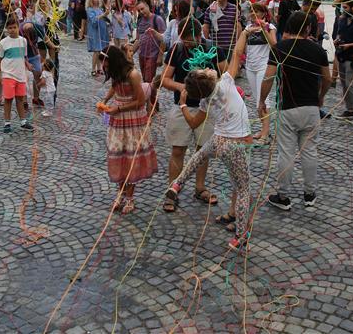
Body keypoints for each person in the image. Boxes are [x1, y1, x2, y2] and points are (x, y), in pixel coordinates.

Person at [165, 27, 254, 251]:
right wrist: (244, 33)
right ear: (210, 78)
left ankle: (177, 184)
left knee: (198, 157)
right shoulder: (226, 82)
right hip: (236, 144)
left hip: (218, 141)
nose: (208, 67)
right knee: (243, 189)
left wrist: (183, 105)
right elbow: (237, 53)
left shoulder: (205, 101)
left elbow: (194, 123)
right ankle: (240, 236)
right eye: (205, 69)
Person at [260, 11, 331, 211]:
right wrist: (321, 96)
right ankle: (310, 194)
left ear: (289, 26)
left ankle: (283, 196)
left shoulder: (279, 48)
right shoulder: (318, 50)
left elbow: (268, 77)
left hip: (287, 108)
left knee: (286, 153)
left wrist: (261, 100)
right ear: (308, 28)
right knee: (309, 151)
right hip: (311, 108)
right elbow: (328, 78)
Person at [160, 17, 219, 213]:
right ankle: (172, 191)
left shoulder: (211, 48)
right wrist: (182, 87)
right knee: (178, 150)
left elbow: (226, 74)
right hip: (181, 106)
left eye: (190, 40)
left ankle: (200, 188)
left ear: (199, 35)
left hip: (206, 108)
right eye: (184, 39)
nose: (187, 43)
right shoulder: (176, 50)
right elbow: (165, 79)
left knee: (203, 151)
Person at [97, 45, 158, 214]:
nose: (104, 66)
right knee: (119, 156)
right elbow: (114, 86)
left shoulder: (133, 74)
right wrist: (105, 101)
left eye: (106, 63)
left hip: (133, 119)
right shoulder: (116, 72)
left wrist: (118, 108)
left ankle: (130, 198)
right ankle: (120, 194)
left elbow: (140, 101)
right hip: (118, 120)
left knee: (131, 158)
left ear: (114, 61)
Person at [244, 3, 276, 142]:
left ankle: (265, 133)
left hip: (263, 66)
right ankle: (264, 129)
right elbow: (244, 47)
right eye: (252, 11)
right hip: (250, 67)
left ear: (263, 13)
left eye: (257, 11)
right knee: (257, 101)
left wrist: (263, 29)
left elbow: (274, 44)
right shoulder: (248, 28)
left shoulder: (270, 27)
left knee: (263, 100)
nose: (254, 13)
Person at [0, 16, 33, 132]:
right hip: (8, 75)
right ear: (7, 29)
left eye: (14, 27)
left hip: (21, 75)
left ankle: (23, 121)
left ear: (18, 27)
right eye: (10, 28)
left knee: (20, 99)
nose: (12, 30)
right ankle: (7, 123)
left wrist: (27, 64)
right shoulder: (3, 43)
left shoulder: (23, 41)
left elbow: (23, 56)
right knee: (8, 99)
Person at [205, 0, 241, 71]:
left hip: (230, 46)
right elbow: (206, 27)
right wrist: (206, 43)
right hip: (216, 46)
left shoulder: (234, 8)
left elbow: (238, 26)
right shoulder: (210, 9)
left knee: (231, 71)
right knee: (216, 71)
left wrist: (238, 42)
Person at [132, 0, 165, 90]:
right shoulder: (140, 21)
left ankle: (151, 97)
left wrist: (160, 56)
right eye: (139, 10)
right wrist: (130, 52)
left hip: (152, 55)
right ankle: (150, 96)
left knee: (148, 80)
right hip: (142, 55)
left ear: (147, 7)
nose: (141, 12)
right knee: (145, 79)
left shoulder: (157, 19)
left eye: (142, 9)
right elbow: (138, 39)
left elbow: (164, 39)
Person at [86, 0, 110, 77]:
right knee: (96, 51)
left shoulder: (99, 9)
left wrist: (106, 14)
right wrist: (103, 15)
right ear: (92, 0)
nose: (98, 0)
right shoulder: (90, 9)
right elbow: (93, 20)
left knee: (101, 50)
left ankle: (99, 68)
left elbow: (103, 18)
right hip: (95, 32)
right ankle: (93, 69)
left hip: (102, 31)